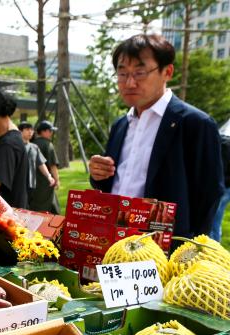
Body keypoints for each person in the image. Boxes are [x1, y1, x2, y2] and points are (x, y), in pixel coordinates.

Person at [89, 34, 224, 238]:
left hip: (164, 251)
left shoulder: (195, 124)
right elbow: (115, 185)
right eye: (122, 73)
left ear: (167, 72)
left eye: (140, 72)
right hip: (115, 241)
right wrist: (99, 175)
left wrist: (187, 247)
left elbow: (209, 194)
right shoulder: (121, 125)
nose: (129, 82)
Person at [29, 120, 61, 214]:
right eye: (50, 131)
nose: (51, 133)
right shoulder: (48, 145)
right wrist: (57, 180)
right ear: (44, 131)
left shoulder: (32, 144)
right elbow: (53, 166)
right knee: (49, 210)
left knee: (34, 208)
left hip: (32, 183)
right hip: (46, 182)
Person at [18, 122, 55, 199]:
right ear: (20, 131)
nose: (30, 132)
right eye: (27, 129)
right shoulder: (15, 146)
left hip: (31, 185)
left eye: (32, 130)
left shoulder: (34, 147)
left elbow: (41, 163)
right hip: (17, 184)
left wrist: (49, 176)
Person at [210, 134, 230, 241]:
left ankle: (213, 245)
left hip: (224, 187)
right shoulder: (224, 143)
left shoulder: (223, 145)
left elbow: (221, 169)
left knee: (213, 219)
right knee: (217, 218)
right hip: (226, 187)